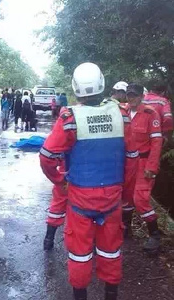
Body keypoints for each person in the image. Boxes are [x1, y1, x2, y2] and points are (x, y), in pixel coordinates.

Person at [40, 62, 137, 300]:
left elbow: (47, 156)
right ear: (102, 84)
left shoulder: (70, 117)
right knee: (111, 250)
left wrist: (59, 180)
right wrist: (126, 196)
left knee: (80, 254)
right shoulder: (122, 115)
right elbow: (132, 159)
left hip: (80, 197)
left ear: (75, 88)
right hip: (113, 196)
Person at [122, 84, 163, 252]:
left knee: (140, 199)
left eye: (134, 95)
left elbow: (156, 142)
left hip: (143, 163)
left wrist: (152, 166)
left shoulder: (150, 113)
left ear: (141, 96)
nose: (131, 98)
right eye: (129, 95)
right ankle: (126, 231)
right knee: (126, 197)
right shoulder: (121, 111)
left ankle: (155, 234)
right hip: (126, 163)